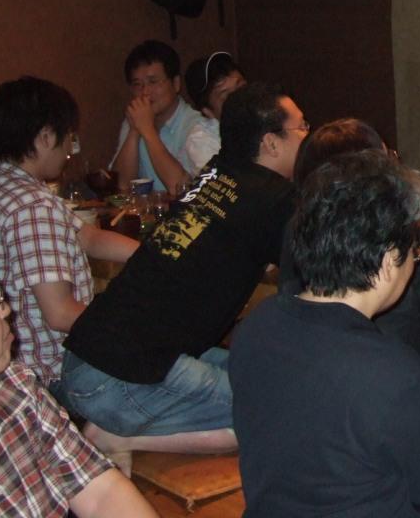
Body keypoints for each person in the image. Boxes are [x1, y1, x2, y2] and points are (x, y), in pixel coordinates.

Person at [59, 82, 308, 460]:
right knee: (280, 409)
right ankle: (116, 439)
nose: (308, 136)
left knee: (269, 376)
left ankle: (119, 429)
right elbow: (315, 274)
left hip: (88, 361)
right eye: (302, 127)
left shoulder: (216, 173)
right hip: (118, 381)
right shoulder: (274, 198)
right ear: (271, 143)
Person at [231, 150, 420, 517]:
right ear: (389, 260)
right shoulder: (394, 374)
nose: (414, 258)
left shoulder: (256, 327)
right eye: (414, 250)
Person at [278, 118, 420, 395]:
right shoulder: (397, 235)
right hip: (399, 398)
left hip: (317, 389)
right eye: (387, 159)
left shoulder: (295, 230)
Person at [0, 77, 138, 390]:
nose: (69, 151)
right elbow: (61, 314)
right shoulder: (32, 206)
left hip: (17, 363)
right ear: (46, 137)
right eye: (69, 138)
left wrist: (154, 255)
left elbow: (88, 237)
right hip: (56, 372)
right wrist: (134, 332)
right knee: (199, 379)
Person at [0, 264, 158, 517]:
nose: (5, 308)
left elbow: (102, 494)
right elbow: (60, 314)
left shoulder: (11, 384)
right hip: (67, 377)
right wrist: (144, 325)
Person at [111, 39, 205, 195]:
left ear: (176, 83)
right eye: (137, 84)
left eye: (153, 82)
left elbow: (180, 189)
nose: (145, 92)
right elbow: (121, 186)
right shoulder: (134, 119)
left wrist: (147, 130)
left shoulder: (198, 127)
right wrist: (135, 131)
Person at [181, 51, 247, 175]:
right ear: (208, 112)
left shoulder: (266, 116)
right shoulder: (201, 141)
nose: (241, 98)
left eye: (241, 88)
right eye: (229, 96)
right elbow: (228, 183)